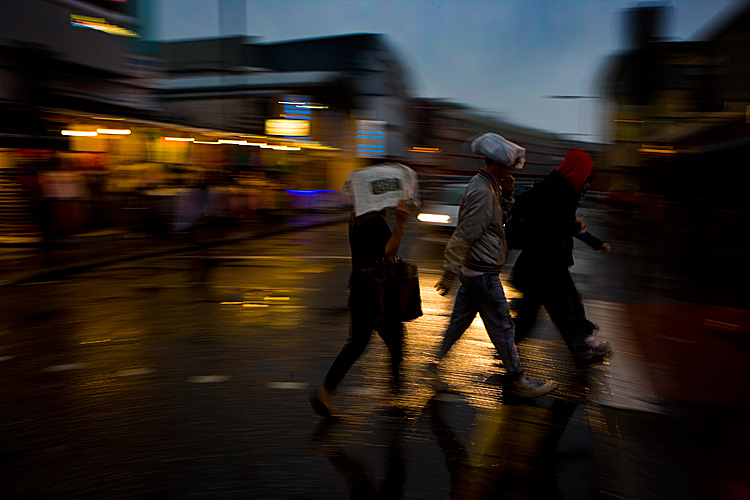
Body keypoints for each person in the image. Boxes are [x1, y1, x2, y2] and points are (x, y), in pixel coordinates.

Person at [428, 133, 557, 398]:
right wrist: (449, 272)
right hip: (482, 273)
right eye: (509, 165)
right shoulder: (482, 191)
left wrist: (508, 192)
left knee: (459, 323)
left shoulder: (488, 187)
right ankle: (517, 379)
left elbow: (499, 221)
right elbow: (464, 233)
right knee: (503, 327)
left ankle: (432, 368)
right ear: (497, 163)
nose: (512, 170)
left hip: (476, 271)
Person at [510, 149, 613, 367]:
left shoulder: (560, 191)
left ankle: (509, 344)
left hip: (546, 262)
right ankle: (583, 344)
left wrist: (596, 243)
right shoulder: (556, 191)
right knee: (565, 306)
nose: (587, 187)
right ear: (578, 173)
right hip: (544, 263)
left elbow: (563, 224)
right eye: (586, 181)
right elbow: (553, 225)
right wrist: (575, 225)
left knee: (544, 309)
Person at [311, 198, 412, 418]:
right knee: (395, 340)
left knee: (357, 344)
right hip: (377, 293)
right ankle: (394, 395)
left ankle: (324, 392)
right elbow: (388, 252)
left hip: (360, 289)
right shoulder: (373, 220)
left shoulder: (356, 217)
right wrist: (401, 222)